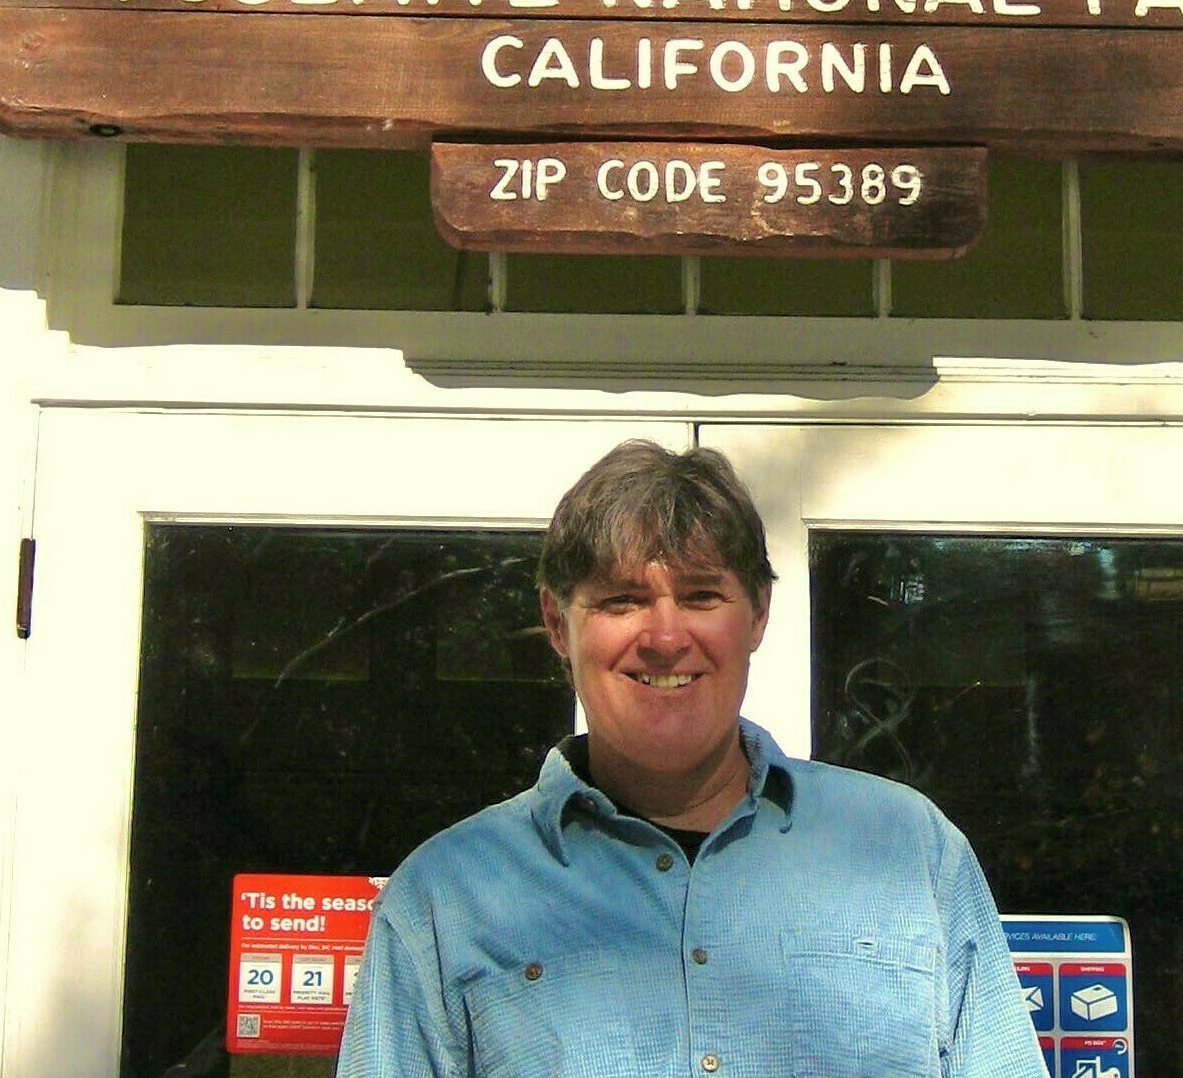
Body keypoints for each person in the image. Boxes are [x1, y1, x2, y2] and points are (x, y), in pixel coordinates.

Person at [336, 439, 1047, 1078]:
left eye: (702, 596)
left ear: (758, 614)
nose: (666, 638)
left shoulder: (911, 854)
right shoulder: (445, 901)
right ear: (557, 623)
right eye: (622, 600)